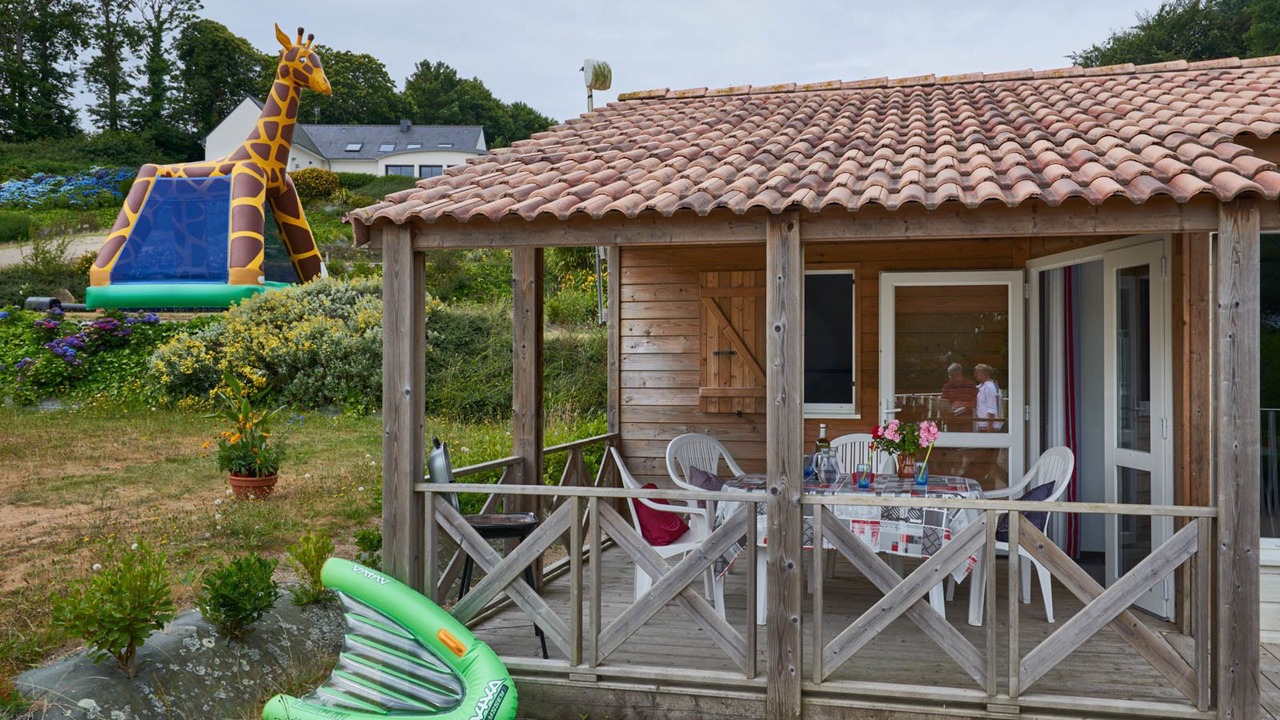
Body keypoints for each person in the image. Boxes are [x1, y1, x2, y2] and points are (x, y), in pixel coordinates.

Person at [974, 363, 1003, 432]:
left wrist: (989, 426)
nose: (976, 376)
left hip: (987, 425)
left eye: (978, 374)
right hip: (981, 424)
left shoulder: (990, 387)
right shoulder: (982, 386)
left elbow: (991, 407)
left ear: (984, 374)